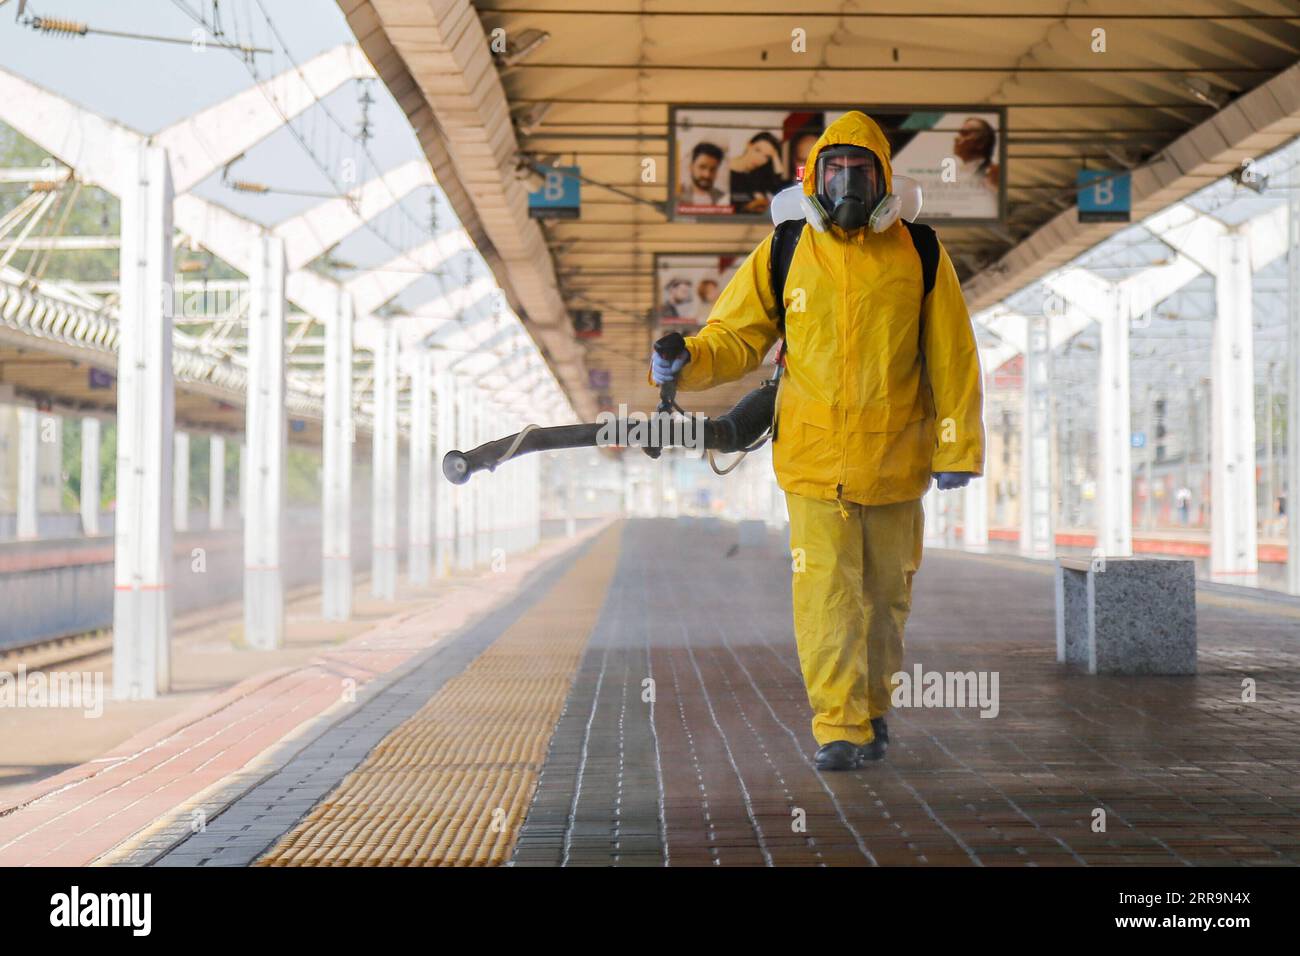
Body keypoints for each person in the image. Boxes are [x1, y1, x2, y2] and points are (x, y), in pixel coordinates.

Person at [650, 111, 985, 771]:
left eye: (861, 173)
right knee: (827, 596)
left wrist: (956, 450)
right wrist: (684, 358)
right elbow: (736, 336)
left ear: (884, 177)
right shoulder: (784, 248)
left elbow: (954, 357)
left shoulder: (920, 253)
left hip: (897, 464)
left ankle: (872, 707)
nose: (848, 186)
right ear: (814, 179)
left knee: (885, 603)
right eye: (836, 173)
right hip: (811, 465)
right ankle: (839, 727)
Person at [953, 117, 999, 192]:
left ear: (981, 143)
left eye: (965, 134)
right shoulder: (957, 173)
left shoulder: (994, 174)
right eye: (959, 133)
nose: (956, 138)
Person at [679, 141, 726, 206]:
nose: (707, 175)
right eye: (702, 167)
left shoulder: (723, 198)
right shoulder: (678, 195)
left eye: (713, 169)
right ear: (691, 167)